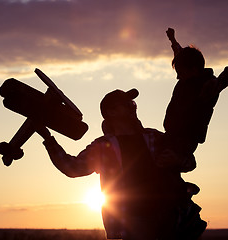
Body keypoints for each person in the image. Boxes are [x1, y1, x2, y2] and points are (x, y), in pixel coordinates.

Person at [35, 88, 205, 240]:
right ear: (111, 112)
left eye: (132, 103)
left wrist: (178, 160)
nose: (133, 106)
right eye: (126, 103)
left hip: (171, 218)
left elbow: (190, 162)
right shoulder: (102, 146)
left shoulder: (155, 137)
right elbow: (71, 168)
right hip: (134, 221)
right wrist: (48, 139)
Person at [159, 27, 228, 173]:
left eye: (180, 73)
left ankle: (176, 177)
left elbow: (221, 82)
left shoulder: (205, 86)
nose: (178, 77)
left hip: (187, 136)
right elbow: (179, 53)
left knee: (171, 161)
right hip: (172, 132)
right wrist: (172, 39)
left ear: (193, 70)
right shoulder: (185, 78)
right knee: (160, 155)